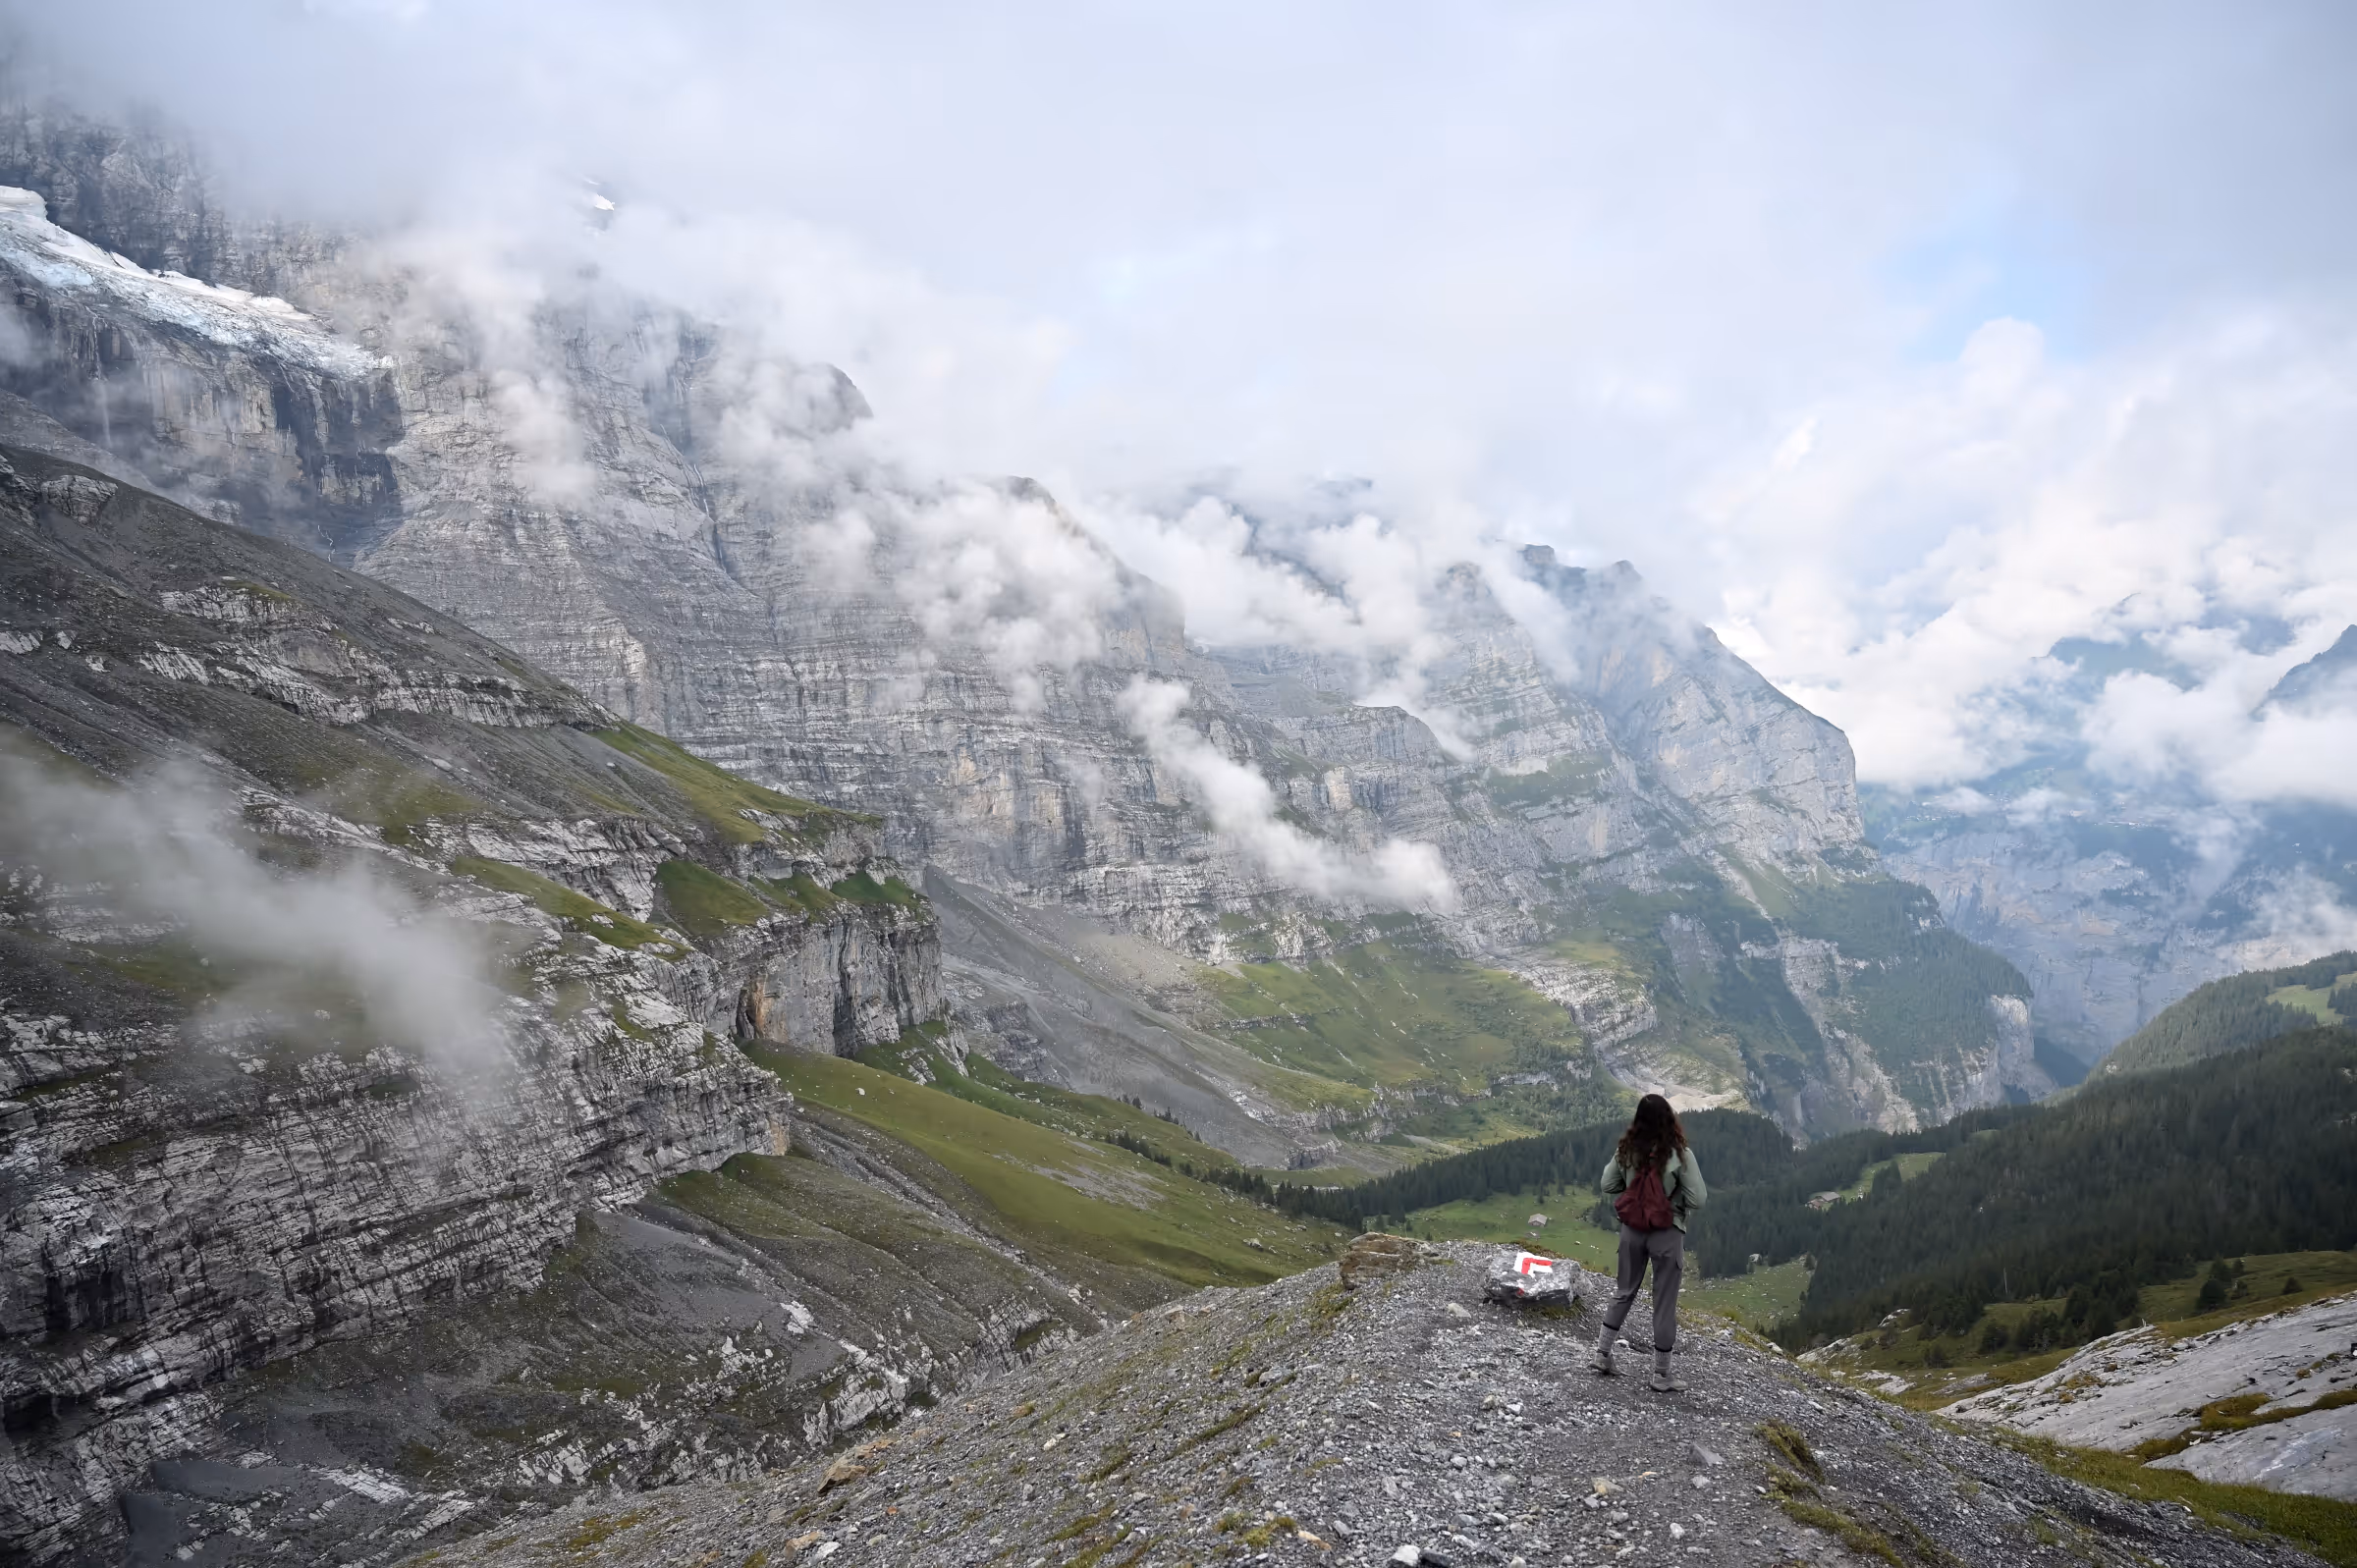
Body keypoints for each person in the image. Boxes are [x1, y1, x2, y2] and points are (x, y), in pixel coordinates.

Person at [1593, 1093, 1707, 1391]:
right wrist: (1673, 1201)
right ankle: (1661, 1374)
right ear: (1669, 1118)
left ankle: (1602, 1355)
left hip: (1632, 1230)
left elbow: (1607, 1184)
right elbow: (1698, 1198)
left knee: (1624, 1291)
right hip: (1667, 1233)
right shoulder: (1680, 1154)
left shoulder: (1627, 1150)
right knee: (1664, 1303)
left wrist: (1632, 1185)